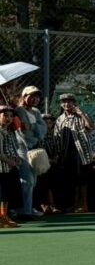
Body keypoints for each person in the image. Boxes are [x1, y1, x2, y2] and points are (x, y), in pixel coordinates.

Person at [55, 93, 94, 213]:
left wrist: (81, 114)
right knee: (72, 179)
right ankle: (75, 204)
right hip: (66, 152)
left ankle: (84, 204)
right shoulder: (60, 119)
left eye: (69, 101)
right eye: (64, 102)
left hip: (82, 152)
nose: (66, 104)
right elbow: (56, 136)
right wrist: (58, 153)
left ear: (74, 103)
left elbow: (91, 127)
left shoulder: (81, 116)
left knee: (83, 178)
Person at [16, 86, 47, 218]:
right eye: (31, 96)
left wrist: (33, 126)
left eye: (37, 96)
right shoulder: (19, 110)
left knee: (33, 180)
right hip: (22, 149)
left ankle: (28, 207)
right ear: (24, 97)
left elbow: (43, 131)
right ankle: (26, 211)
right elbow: (25, 132)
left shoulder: (36, 111)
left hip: (34, 149)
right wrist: (35, 129)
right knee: (27, 180)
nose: (35, 99)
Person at [0, 105, 23, 227]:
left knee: (7, 193)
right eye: (5, 115)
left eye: (10, 116)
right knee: (2, 192)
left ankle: (4, 215)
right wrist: (10, 161)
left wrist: (17, 159)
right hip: (2, 167)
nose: (8, 118)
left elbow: (14, 148)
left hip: (10, 167)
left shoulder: (10, 132)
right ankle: (2, 217)